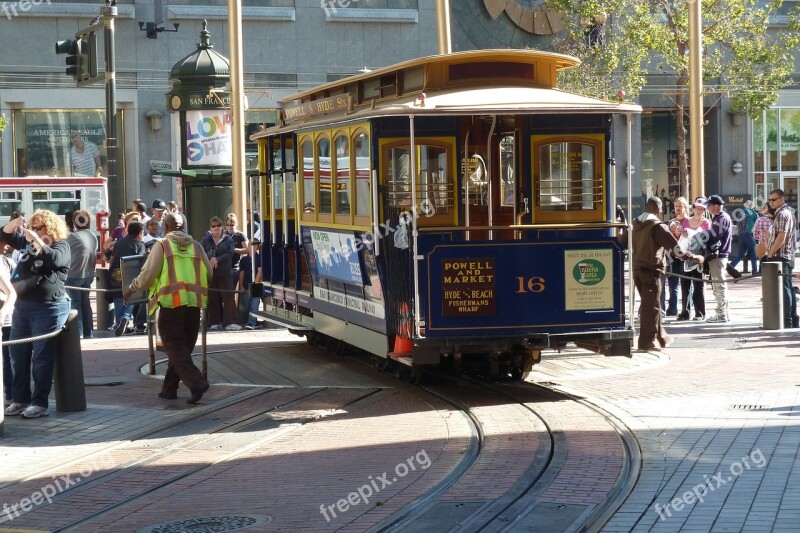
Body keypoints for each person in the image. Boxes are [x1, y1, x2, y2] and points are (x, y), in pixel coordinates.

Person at [124, 214, 212, 404]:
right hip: (194, 304)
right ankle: (169, 389)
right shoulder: (196, 246)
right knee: (182, 348)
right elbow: (209, 273)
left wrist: (131, 289)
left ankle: (197, 383)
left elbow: (147, 274)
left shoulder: (162, 245)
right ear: (184, 226)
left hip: (171, 305)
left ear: (165, 226)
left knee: (174, 346)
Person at [2, 210, 71, 419]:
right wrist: (16, 223)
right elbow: (4, 236)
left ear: (50, 228)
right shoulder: (28, 245)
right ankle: (20, 399)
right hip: (23, 307)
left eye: (39, 227)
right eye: (33, 227)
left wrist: (38, 240)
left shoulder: (61, 246)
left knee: (41, 357)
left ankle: (40, 402)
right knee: (17, 355)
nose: (34, 231)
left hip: (47, 307)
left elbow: (53, 258)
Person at [621, 196, 703, 351]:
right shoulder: (657, 226)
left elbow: (623, 241)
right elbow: (675, 248)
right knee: (651, 307)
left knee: (652, 305)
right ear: (658, 210)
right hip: (652, 270)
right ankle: (646, 342)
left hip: (637, 269)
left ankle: (662, 337)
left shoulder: (634, 224)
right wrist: (693, 257)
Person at [763, 188, 797, 328]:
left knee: (784, 290)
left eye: (774, 199)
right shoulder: (786, 212)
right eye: (770, 199)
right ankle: (792, 320)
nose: (771, 202)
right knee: (788, 288)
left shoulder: (783, 214)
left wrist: (770, 254)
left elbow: (781, 237)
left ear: (782, 198)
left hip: (780, 257)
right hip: (785, 256)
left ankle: (787, 321)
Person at [201, 216, 241, 331]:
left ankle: (230, 322)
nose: (216, 228)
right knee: (212, 297)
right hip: (211, 273)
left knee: (228, 297)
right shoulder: (206, 240)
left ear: (222, 227)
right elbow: (201, 252)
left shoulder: (228, 239)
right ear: (211, 228)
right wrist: (211, 259)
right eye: (214, 226)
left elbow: (230, 253)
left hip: (225, 272)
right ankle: (214, 322)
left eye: (218, 225)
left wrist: (217, 260)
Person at [675, 197, 711, 321]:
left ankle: (700, 312)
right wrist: (681, 232)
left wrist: (689, 234)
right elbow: (680, 236)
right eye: (697, 208)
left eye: (702, 209)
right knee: (685, 286)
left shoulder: (706, 223)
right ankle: (685, 312)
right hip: (686, 257)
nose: (699, 211)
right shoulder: (686, 221)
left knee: (698, 285)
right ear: (693, 209)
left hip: (698, 258)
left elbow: (707, 240)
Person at [66, 209, 97, 339]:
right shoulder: (92, 236)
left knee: (75, 304)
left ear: (74, 222)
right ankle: (88, 332)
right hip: (88, 273)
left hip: (73, 274)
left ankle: (77, 334)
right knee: (85, 303)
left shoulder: (72, 237)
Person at [110, 221, 145, 336]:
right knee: (132, 297)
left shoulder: (119, 242)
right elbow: (141, 261)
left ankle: (119, 322)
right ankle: (125, 317)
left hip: (116, 273)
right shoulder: (140, 244)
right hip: (131, 274)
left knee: (118, 298)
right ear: (140, 233)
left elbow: (112, 258)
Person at [703, 195, 733, 323]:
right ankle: (723, 312)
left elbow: (713, 237)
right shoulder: (719, 218)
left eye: (709, 205)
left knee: (719, 285)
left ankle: (722, 314)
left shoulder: (722, 218)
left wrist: (702, 237)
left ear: (716, 206)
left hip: (718, 256)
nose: (707, 207)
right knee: (718, 285)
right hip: (718, 256)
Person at [666, 197, 691, 318]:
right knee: (673, 284)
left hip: (685, 256)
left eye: (680, 206)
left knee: (686, 284)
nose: (678, 208)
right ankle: (672, 309)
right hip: (673, 256)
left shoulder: (690, 221)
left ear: (685, 207)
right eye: (676, 206)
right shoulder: (671, 222)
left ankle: (686, 310)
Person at [1, 246, 16, 407]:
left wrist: (3, 311)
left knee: (8, 359)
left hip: (6, 318)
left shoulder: (6, 261)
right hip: (8, 316)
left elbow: (12, 292)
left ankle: (11, 394)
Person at [729, 199, 759, 275]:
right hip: (749, 234)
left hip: (741, 235)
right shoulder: (753, 214)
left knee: (741, 253)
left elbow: (738, 224)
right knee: (753, 253)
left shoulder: (740, 213)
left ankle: (730, 266)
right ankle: (754, 271)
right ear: (752, 206)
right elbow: (756, 224)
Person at [240, 238, 263, 330]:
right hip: (246, 285)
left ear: (257, 247)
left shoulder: (259, 257)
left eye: (254, 245)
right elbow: (241, 273)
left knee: (254, 304)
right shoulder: (244, 259)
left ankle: (252, 323)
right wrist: (241, 285)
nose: (251, 247)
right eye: (250, 244)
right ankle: (250, 321)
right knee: (246, 305)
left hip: (256, 286)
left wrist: (255, 284)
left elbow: (260, 271)